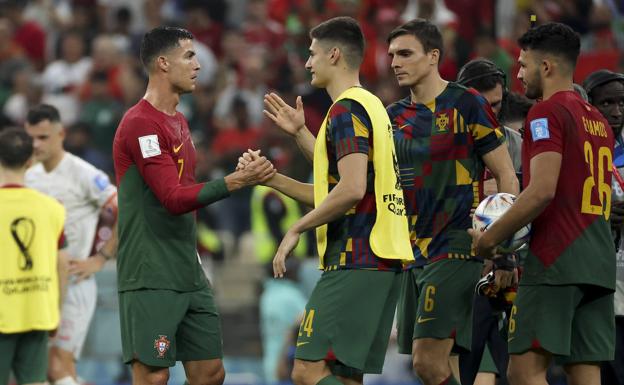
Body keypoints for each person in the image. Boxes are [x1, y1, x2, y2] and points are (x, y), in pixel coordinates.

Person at [240, 16, 412, 385]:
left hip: (356, 258)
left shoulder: (346, 111)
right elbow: (332, 190)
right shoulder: (371, 105)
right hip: (378, 258)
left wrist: (297, 229)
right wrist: (273, 174)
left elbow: (350, 190)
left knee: (305, 371)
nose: (306, 63)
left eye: (312, 53)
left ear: (334, 55)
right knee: (343, 375)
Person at [112, 26, 275, 385]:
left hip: (187, 267)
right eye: (189, 56)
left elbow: (188, 190)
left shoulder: (180, 121)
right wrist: (236, 181)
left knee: (210, 373)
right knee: (153, 377)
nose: (198, 65)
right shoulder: (141, 124)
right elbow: (172, 198)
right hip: (150, 270)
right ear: (163, 63)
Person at [471, 22, 616, 385]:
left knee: (523, 371)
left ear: (546, 67)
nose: (518, 75)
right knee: (585, 372)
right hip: (598, 261)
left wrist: (491, 240)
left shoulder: (546, 113)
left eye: (523, 65)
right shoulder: (598, 120)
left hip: (557, 259)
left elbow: (541, 191)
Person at [385, 19, 518, 385]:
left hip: (457, 246)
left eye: (406, 53)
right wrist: (302, 133)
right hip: (413, 255)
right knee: (446, 366)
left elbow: (506, 177)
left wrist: (503, 249)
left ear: (433, 56)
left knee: (427, 363)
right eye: (392, 55)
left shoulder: (467, 103)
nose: (395, 62)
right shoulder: (392, 118)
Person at [23, 104, 118, 385]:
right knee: (39, 370)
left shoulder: (83, 173)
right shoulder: (27, 174)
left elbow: (122, 210)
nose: (35, 144)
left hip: (74, 282)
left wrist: (101, 258)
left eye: (43, 137)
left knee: (57, 366)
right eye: (31, 137)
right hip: (37, 285)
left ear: (61, 134)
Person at [456, 58, 523, 385]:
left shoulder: (515, 143)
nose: (490, 115)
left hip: (508, 270)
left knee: (518, 366)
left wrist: (506, 255)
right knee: (459, 367)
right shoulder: (446, 144)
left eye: (497, 105)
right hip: (461, 269)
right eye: (483, 106)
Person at [0, 128, 68, 385]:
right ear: (30, 161)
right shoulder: (53, 208)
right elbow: (62, 264)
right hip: (38, 312)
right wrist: (56, 312)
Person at [584, 69, 624, 385]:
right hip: (597, 283)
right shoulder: (577, 152)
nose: (616, 112)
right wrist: (602, 213)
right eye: (606, 103)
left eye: (622, 103)